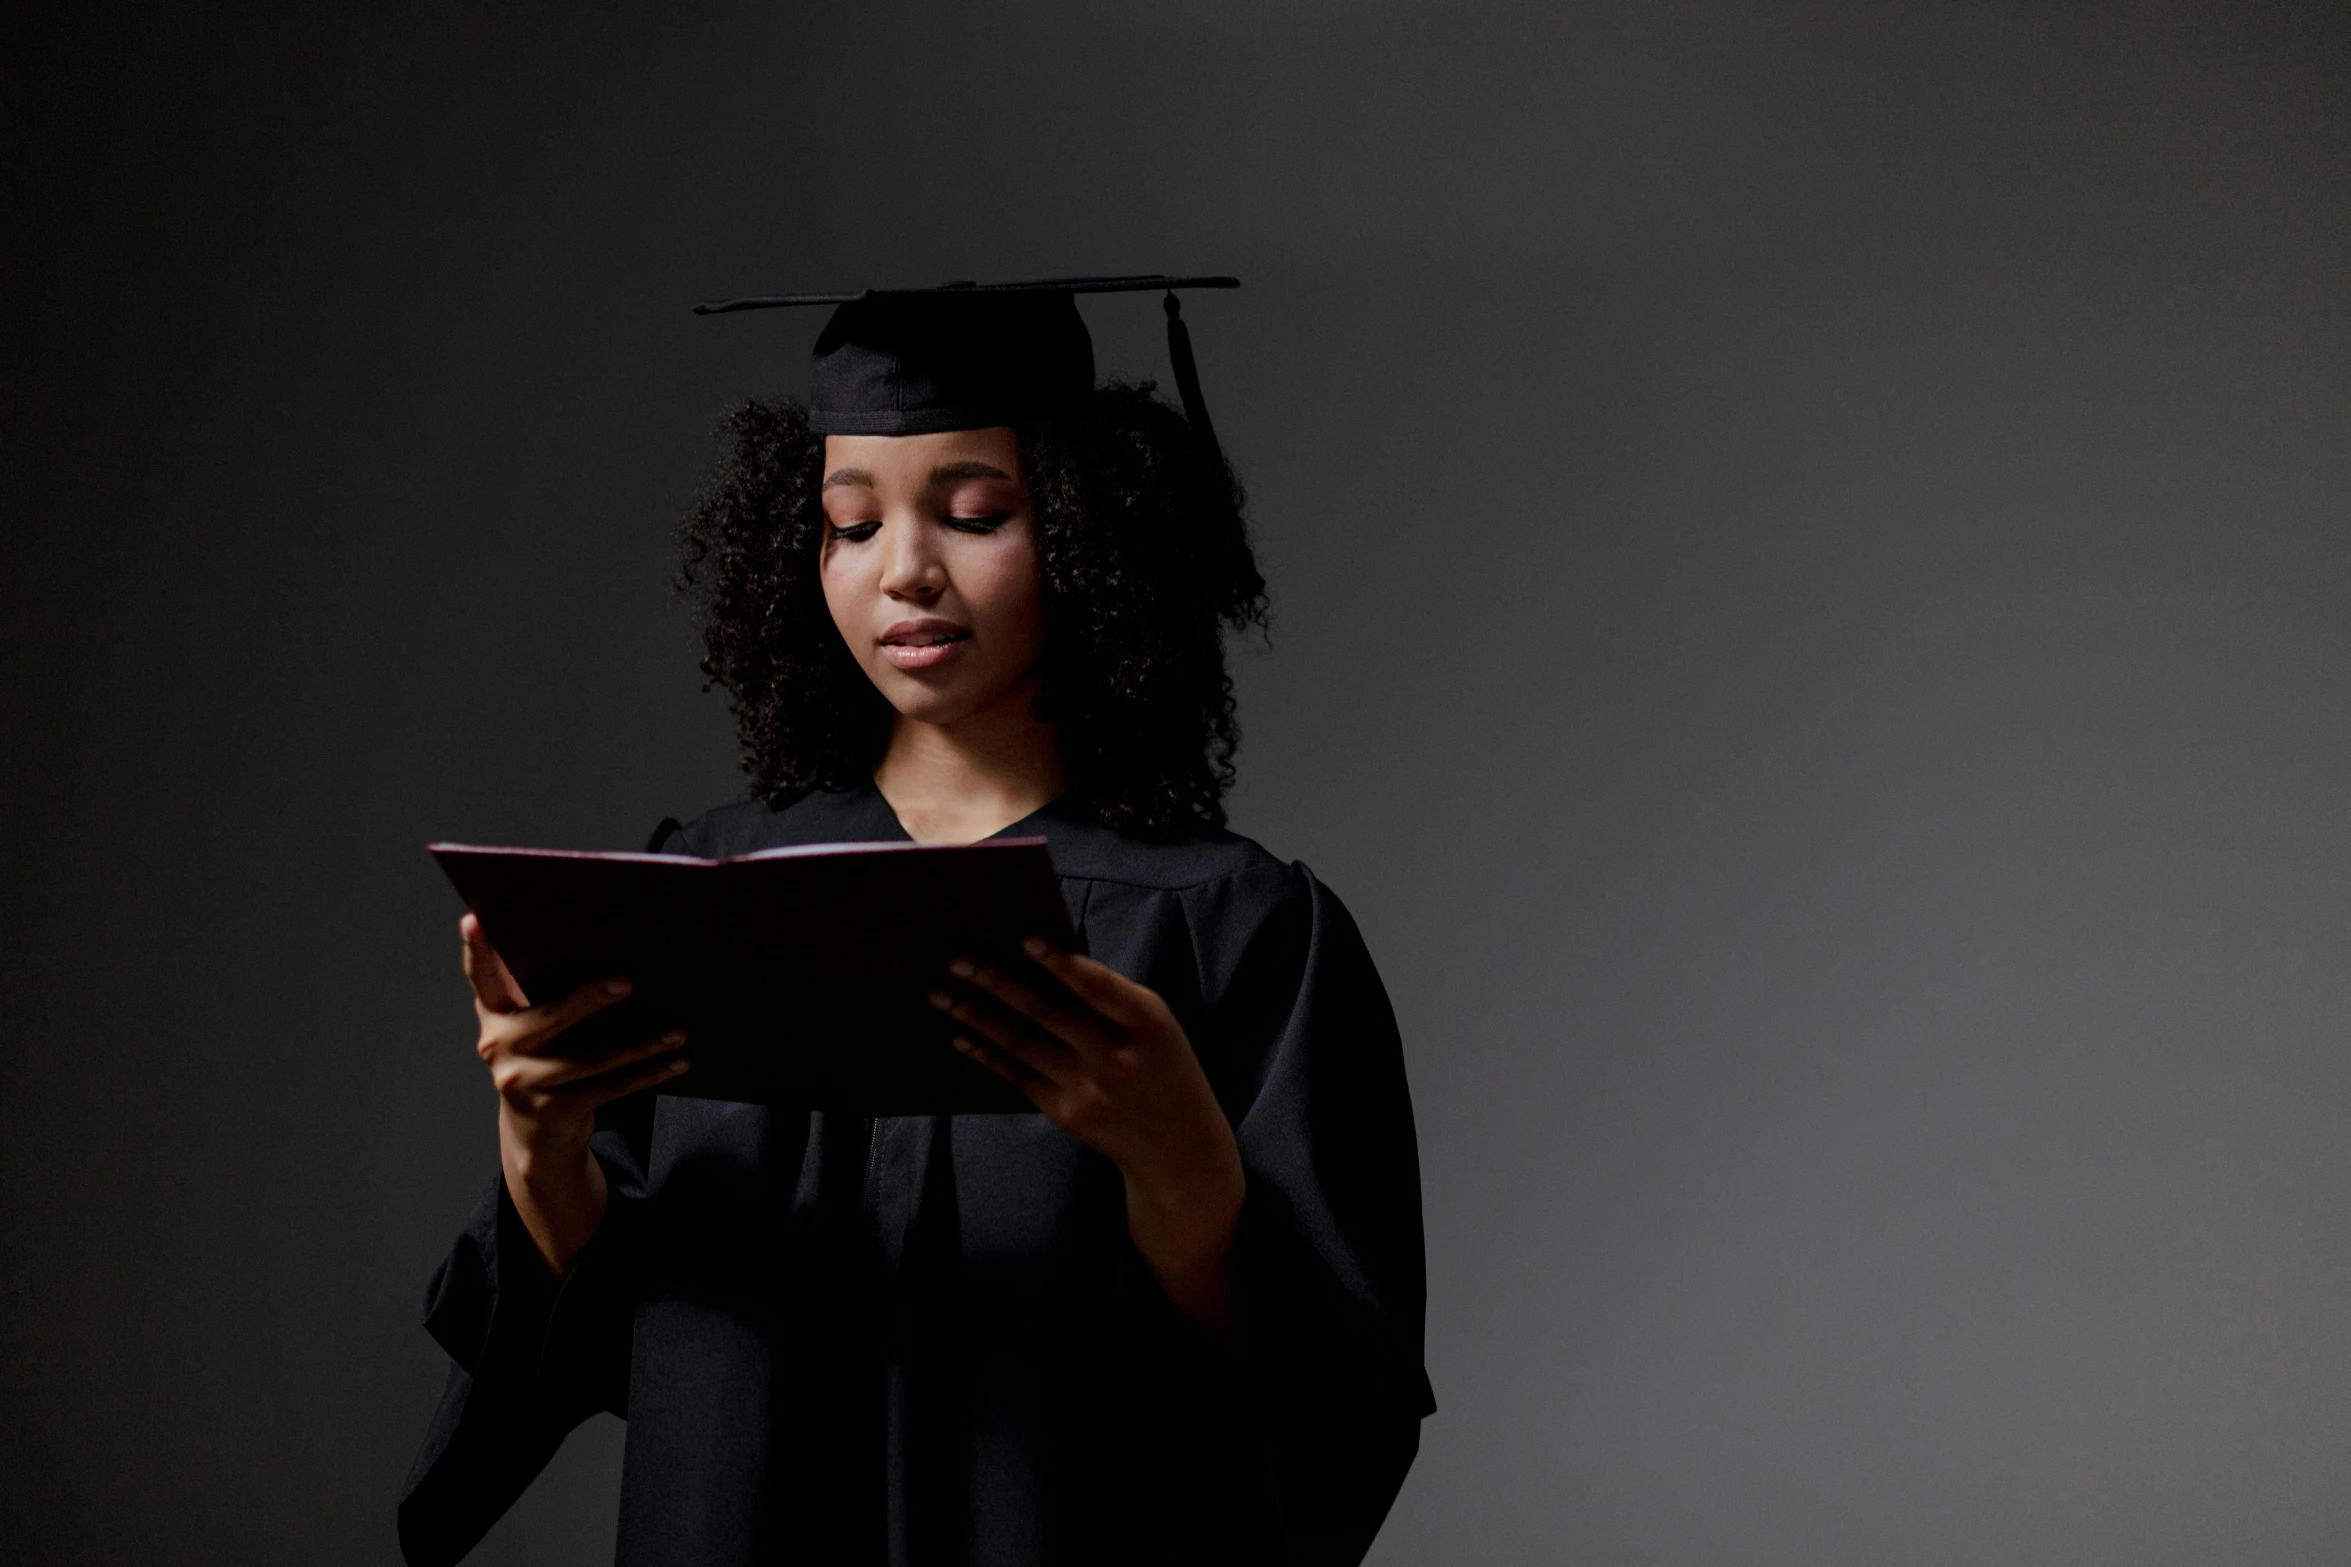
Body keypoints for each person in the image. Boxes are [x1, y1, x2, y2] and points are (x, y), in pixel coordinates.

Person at [399, 277, 1433, 1567]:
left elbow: (1325, 1417)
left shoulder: (1230, 929)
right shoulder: (699, 891)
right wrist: (538, 1144)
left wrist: (1182, 1165)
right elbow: (615, 1339)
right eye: (849, 522)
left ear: (1087, 524)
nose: (904, 572)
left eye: (975, 513)